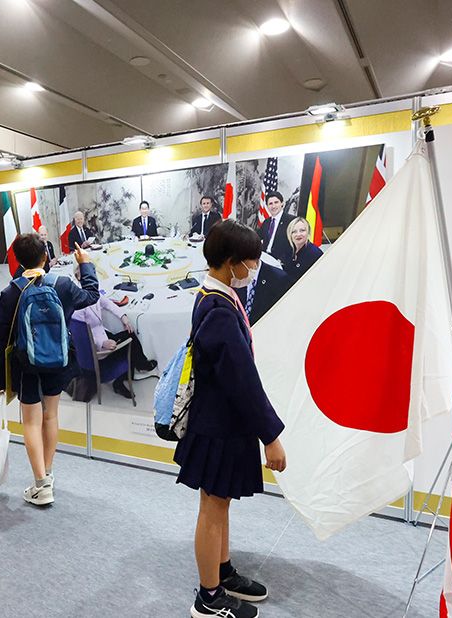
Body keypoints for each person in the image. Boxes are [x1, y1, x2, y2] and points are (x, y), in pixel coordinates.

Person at [174, 219, 287, 618]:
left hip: (222, 422)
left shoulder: (215, 295)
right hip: (217, 426)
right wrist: (271, 435)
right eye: (249, 263)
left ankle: (221, 573)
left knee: (219, 505)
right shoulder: (219, 309)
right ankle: (208, 598)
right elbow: (242, 381)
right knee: (213, 507)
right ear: (230, 262)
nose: (252, 270)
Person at [0, 233, 100, 507]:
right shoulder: (62, 284)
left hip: (25, 364)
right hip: (58, 361)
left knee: (30, 421)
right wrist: (85, 263)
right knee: (50, 416)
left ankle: (40, 483)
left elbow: (1, 341)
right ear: (46, 257)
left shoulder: (10, 292)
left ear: (17, 259)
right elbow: (91, 295)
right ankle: (47, 476)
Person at [73, 290, 157, 399]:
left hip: (102, 333)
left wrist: (123, 317)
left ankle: (137, 366)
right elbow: (81, 334)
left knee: (129, 334)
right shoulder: (78, 307)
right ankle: (135, 368)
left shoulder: (92, 293)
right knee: (130, 341)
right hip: (96, 348)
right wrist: (102, 343)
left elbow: (108, 304)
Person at [256, 191, 295, 265]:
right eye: (270, 204)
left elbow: (294, 245)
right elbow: (256, 237)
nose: (273, 206)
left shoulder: (291, 221)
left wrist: (281, 260)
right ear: (267, 206)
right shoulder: (266, 222)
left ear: (282, 203)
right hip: (264, 258)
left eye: (276, 202)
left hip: (280, 261)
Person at [284, 217, 323, 284]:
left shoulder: (315, 253)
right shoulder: (288, 251)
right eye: (294, 232)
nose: (298, 234)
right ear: (290, 234)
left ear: (308, 232)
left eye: (302, 230)